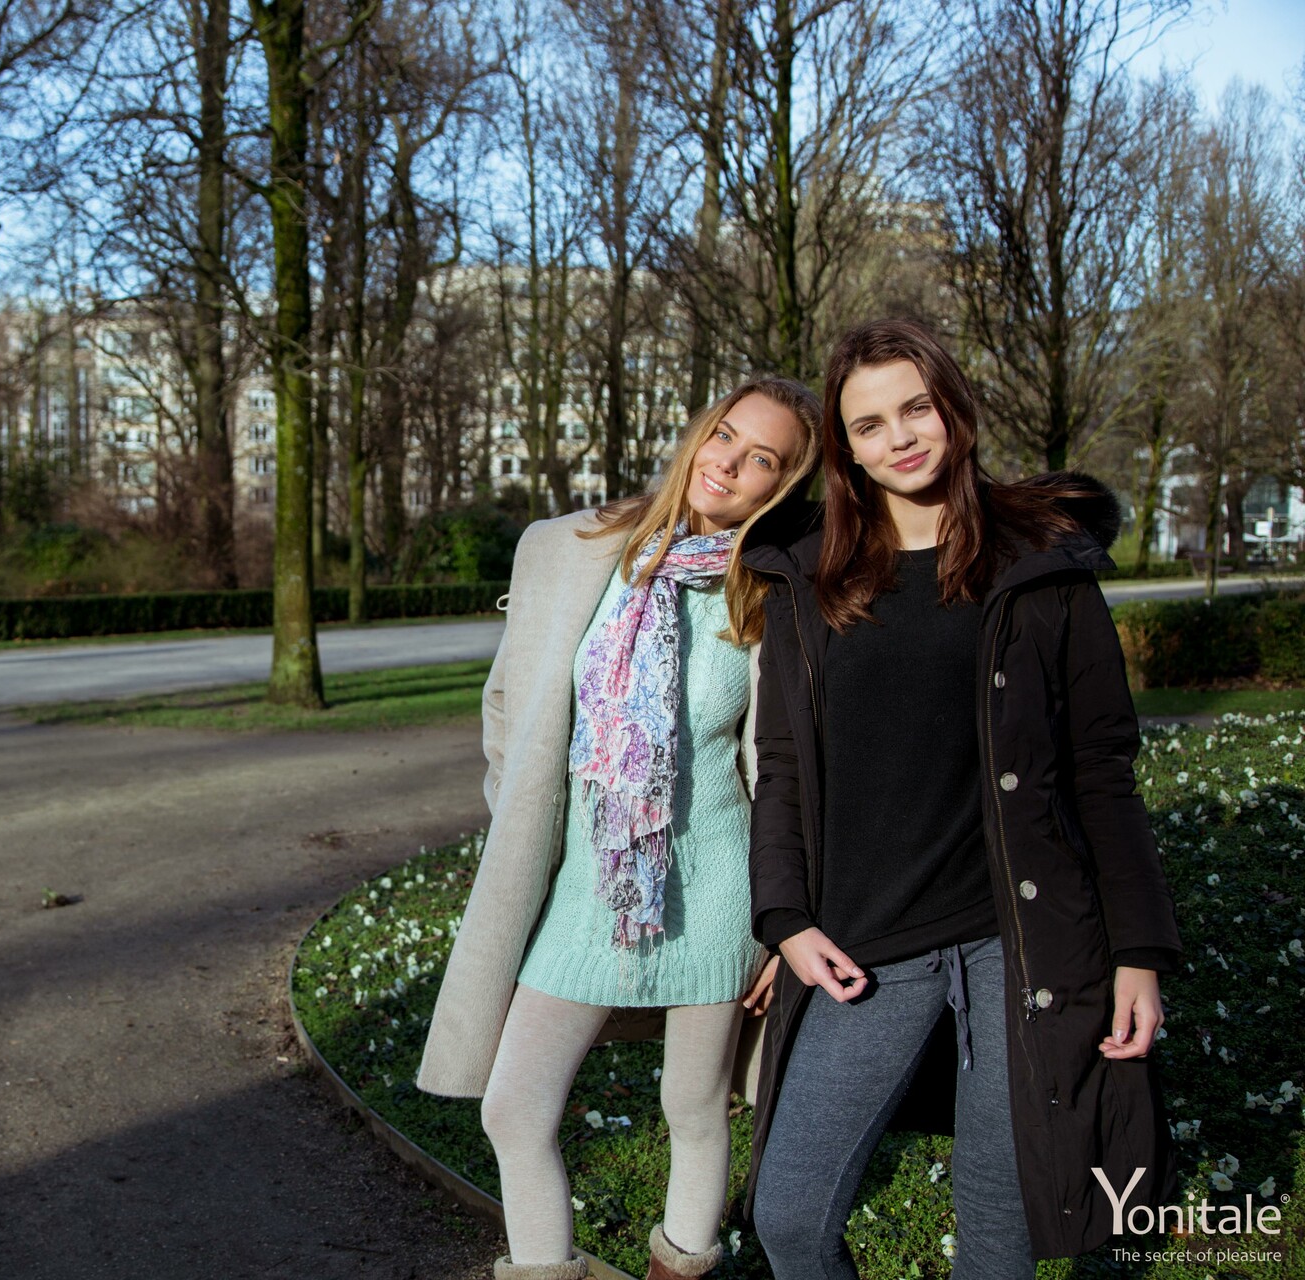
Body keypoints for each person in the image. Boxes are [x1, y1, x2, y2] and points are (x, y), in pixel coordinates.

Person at [741, 318, 1181, 1279]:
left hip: (1019, 942)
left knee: (998, 1230)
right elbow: (781, 766)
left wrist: (1139, 955)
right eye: (869, 424)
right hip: (864, 944)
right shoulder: (807, 573)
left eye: (916, 408)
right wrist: (785, 919)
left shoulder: (1042, 566)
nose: (899, 437)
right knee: (789, 1216)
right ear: (846, 449)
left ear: (955, 408)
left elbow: (1101, 772)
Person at [418, 376, 824, 1280]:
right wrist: (520, 814)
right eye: (726, 435)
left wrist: (781, 915)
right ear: (700, 433)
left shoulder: (770, 591)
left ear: (782, 485)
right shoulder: (578, 549)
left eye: (762, 458)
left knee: (695, 1105)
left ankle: (682, 1266)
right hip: (587, 885)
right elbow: (508, 704)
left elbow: (785, 770)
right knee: (514, 1108)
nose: (730, 463)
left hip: (718, 889)